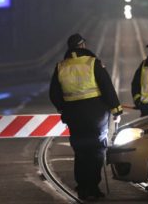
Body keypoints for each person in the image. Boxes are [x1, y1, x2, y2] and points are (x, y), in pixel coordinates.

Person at [49, 33, 122, 200]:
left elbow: (53, 94)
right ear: (82, 46)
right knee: (96, 151)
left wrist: (64, 108)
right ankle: (93, 187)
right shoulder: (93, 63)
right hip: (96, 116)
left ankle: (83, 188)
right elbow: (107, 88)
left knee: (81, 152)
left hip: (74, 117)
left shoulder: (60, 66)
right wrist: (116, 109)